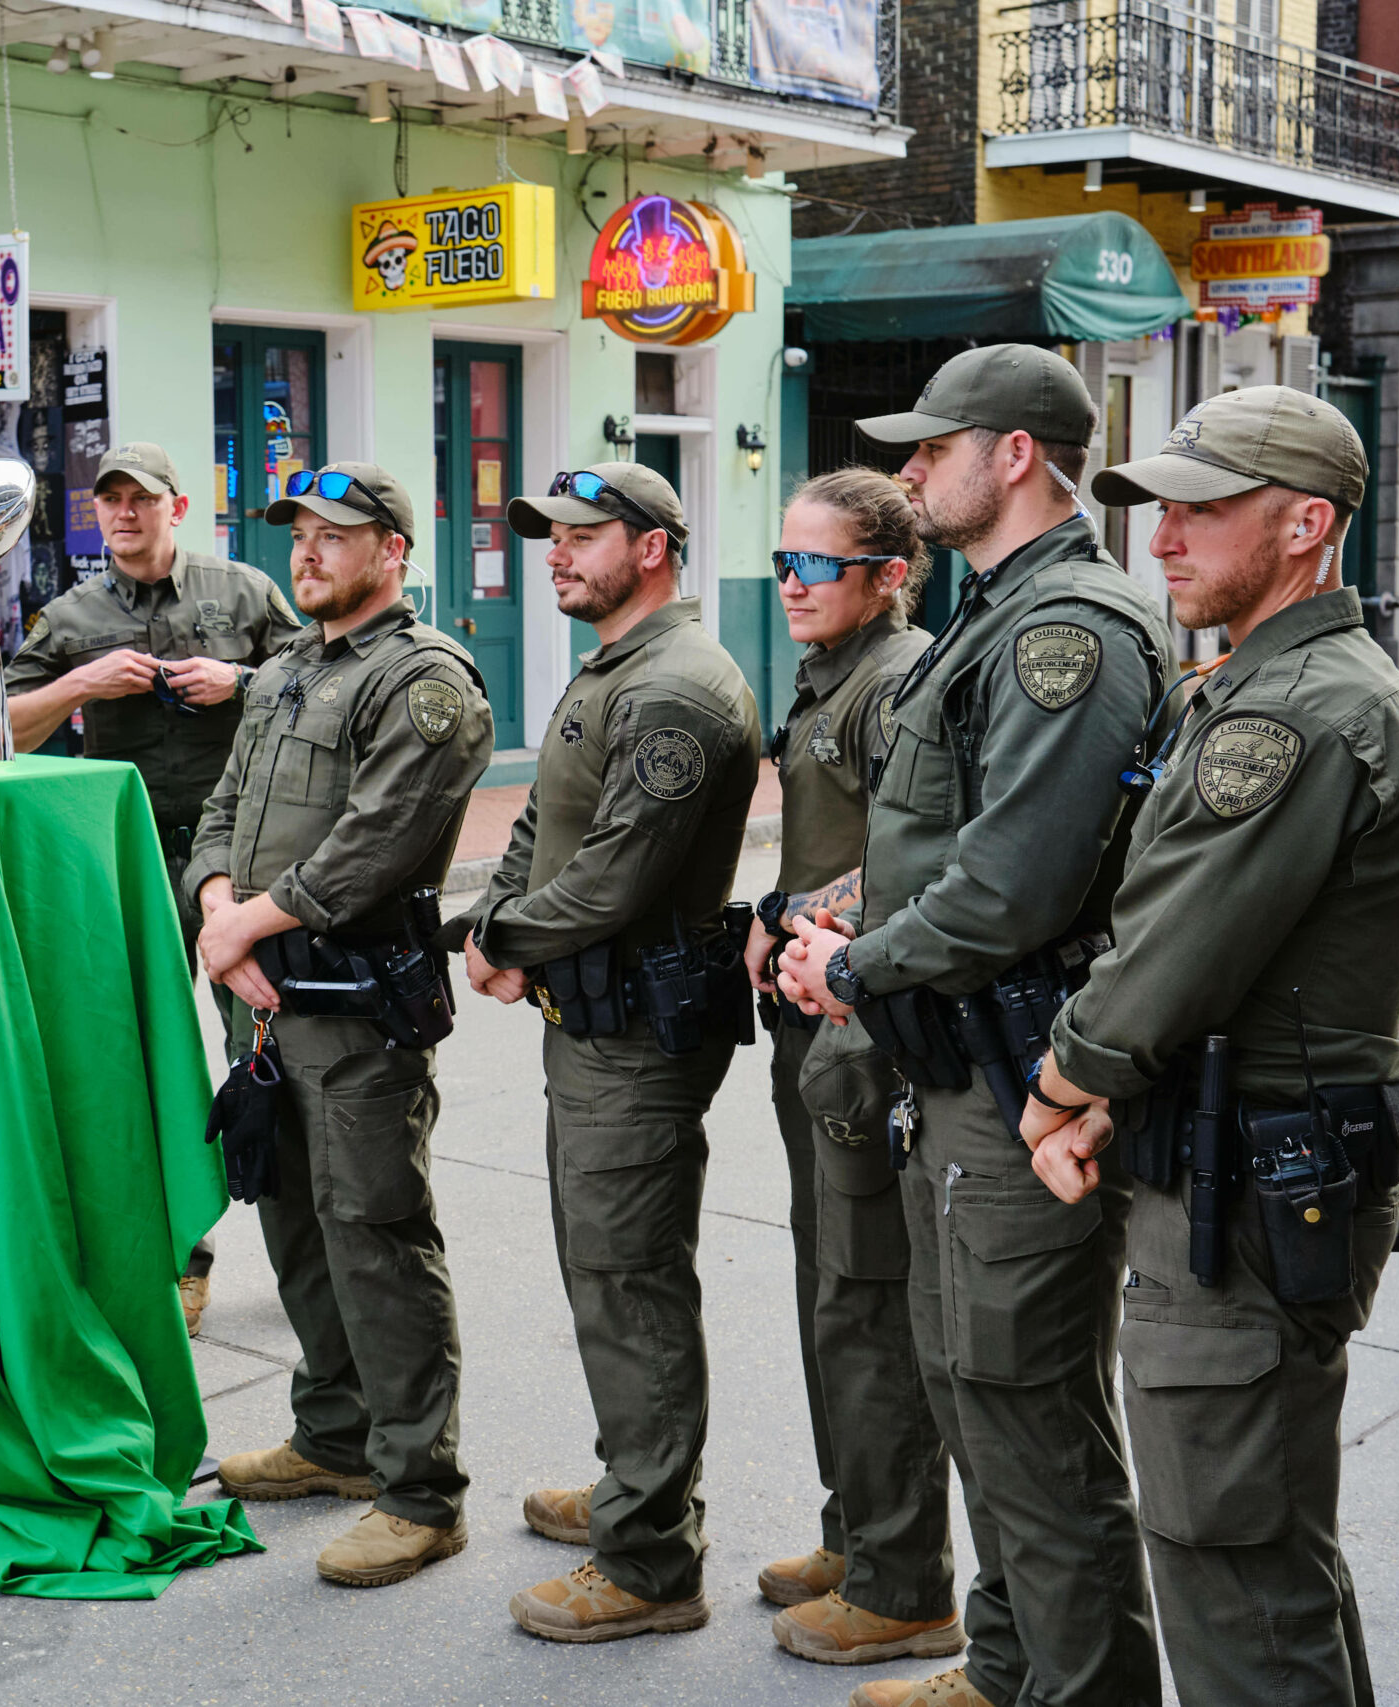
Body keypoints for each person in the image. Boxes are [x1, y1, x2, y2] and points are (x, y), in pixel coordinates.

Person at [1019, 388, 1399, 1707]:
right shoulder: (1264, 686)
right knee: (1265, 1553)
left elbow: (1168, 958)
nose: (1166, 537)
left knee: (1231, 1560)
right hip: (1245, 1160)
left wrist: (1061, 1086)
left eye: (1205, 508)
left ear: (1306, 523)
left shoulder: (1291, 716)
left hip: (1249, 1191)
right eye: (1160, 507)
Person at [776, 344, 1173, 1707]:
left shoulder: (1071, 629)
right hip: (953, 1068)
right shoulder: (997, 617)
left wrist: (858, 963)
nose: (909, 469)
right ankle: (1007, 1666)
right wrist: (850, 917)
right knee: (972, 1387)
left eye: (932, 447)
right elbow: (945, 841)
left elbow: (1014, 881)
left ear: (1012, 455)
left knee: (1030, 1409)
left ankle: (1078, 1685)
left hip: (1019, 1082)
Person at [458, 462, 760, 1641]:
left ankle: (649, 1562)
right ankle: (637, 1482)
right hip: (585, 1017)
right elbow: (546, 818)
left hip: (636, 1028)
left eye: (582, 535)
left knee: (630, 1279)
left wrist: (505, 937)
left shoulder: (679, 687)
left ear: (651, 548)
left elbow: (620, 870)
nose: (555, 553)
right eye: (550, 536)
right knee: (604, 1269)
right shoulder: (616, 665)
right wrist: (499, 926)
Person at [187, 461, 493, 1588]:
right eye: (296, 534)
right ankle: (334, 1436)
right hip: (262, 1002)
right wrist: (219, 907)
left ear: (393, 552)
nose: (305, 552)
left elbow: (376, 842)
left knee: (375, 1232)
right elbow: (222, 810)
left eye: (334, 534)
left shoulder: (423, 682)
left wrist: (241, 929)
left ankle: (420, 1492)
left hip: (353, 1008)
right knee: (295, 1223)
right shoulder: (279, 675)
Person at [3, 440, 301, 1334]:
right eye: (110, 501)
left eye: (141, 499)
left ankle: (310, 1262)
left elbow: (321, 685)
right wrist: (84, 681)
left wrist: (239, 681)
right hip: (124, 866)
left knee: (270, 1053)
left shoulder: (242, 591)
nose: (124, 514)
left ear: (177, 506)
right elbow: (1, 724)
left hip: (241, 860)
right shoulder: (71, 611)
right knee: (137, 1064)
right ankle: (177, 1260)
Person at [743, 472, 960, 1666]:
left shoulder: (900, 680)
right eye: (782, 562)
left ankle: (899, 1578)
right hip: (815, 1026)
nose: (789, 585)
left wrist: (795, 912)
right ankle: (859, 1528)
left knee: (866, 1297)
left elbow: (918, 863)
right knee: (828, 1283)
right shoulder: (835, 670)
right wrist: (770, 915)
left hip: (868, 1031)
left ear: (888, 574)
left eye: (814, 566)